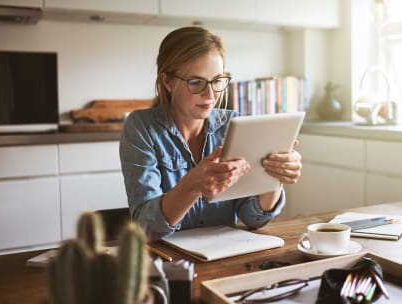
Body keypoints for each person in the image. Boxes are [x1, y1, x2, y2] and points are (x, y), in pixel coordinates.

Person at [119, 26, 303, 241]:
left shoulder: (234, 124)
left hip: (224, 258)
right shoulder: (142, 128)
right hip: (168, 262)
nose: (210, 95)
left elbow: (253, 218)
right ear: (167, 82)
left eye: (217, 81)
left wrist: (274, 178)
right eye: (196, 82)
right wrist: (192, 185)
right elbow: (145, 226)